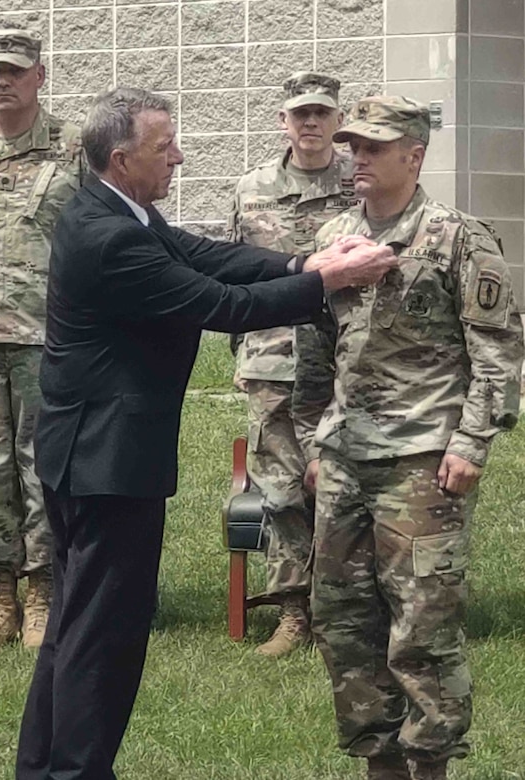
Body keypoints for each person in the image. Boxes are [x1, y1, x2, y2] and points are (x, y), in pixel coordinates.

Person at [14, 86, 397, 780]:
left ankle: (44, 767)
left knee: (75, 626)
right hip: (107, 463)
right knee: (104, 636)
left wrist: (299, 265)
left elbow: (209, 256)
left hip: (85, 452)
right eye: (166, 149)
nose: (180, 158)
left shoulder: (115, 209)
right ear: (123, 157)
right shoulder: (110, 237)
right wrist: (329, 281)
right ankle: (75, 771)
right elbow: (220, 304)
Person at [299, 95, 524, 780]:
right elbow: (314, 348)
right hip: (344, 457)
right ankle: (379, 762)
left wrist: (470, 444)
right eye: (353, 145)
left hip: (422, 459)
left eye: (373, 146)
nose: (357, 157)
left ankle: (430, 764)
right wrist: (313, 440)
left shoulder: (457, 237)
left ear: (414, 155)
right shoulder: (336, 235)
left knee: (422, 626)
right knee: (343, 618)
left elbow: (498, 352)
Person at [0, 29, 85, 650]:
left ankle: (42, 596)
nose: (2, 82)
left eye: (14, 71)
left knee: (43, 467)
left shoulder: (74, 151)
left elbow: (100, 236)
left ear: (40, 75)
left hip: (47, 336)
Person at [227, 71, 356, 657]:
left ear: (337, 120)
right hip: (272, 361)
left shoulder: (359, 184)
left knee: (342, 488)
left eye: (321, 114)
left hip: (343, 364)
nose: (310, 123)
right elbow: (232, 271)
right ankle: (292, 612)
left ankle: (344, 611)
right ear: (283, 120)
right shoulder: (251, 188)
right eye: (300, 113)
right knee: (279, 493)